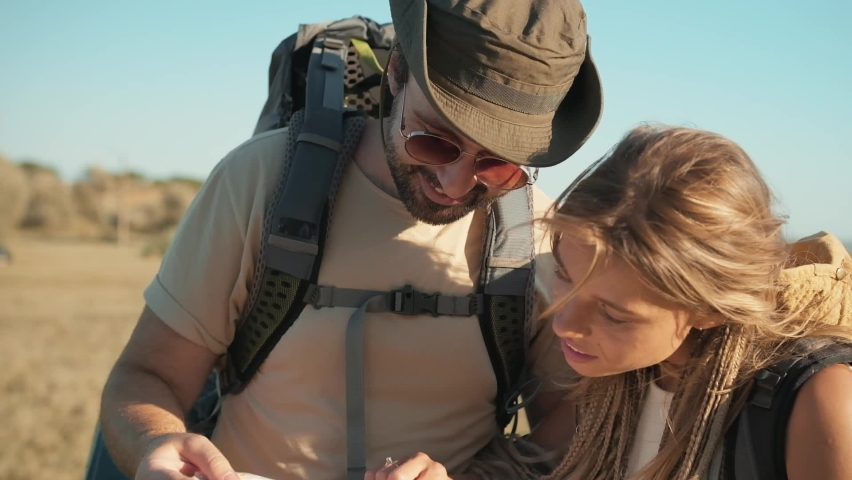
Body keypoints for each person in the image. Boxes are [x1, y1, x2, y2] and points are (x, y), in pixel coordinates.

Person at [97, 0, 604, 479]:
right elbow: (146, 376)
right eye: (432, 140)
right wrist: (152, 446)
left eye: (496, 163)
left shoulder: (539, 237)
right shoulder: (260, 181)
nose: (453, 184)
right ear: (396, 73)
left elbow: (564, 428)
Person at [378, 126, 852, 479]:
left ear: (712, 308)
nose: (565, 324)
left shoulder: (816, 401)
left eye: (613, 312)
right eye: (563, 276)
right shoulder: (613, 381)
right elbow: (521, 470)